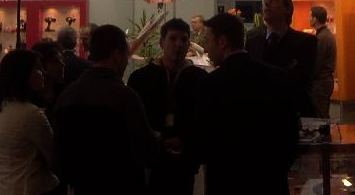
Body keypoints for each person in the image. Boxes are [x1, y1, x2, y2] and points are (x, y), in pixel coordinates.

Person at [196, 12, 300, 195]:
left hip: (226, 182)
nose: (206, 47)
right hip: (270, 182)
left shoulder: (210, 84)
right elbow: (290, 134)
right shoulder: (278, 77)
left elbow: (204, 141)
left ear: (222, 42)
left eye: (208, 41)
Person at [53, 24, 161, 195]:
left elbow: (59, 151)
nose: (127, 61)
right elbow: (147, 150)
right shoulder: (125, 97)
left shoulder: (68, 95)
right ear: (117, 55)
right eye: (126, 55)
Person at [127, 18, 206, 194]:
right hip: (150, 159)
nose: (178, 44)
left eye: (184, 39)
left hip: (185, 159)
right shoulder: (141, 78)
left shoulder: (200, 79)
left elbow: (203, 121)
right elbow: (134, 121)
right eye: (173, 38)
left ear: (189, 45)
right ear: (162, 42)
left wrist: (185, 141)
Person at [0, 49, 59, 195]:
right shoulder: (31, 114)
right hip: (29, 187)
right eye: (38, 68)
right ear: (23, 74)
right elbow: (53, 157)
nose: (43, 73)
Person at [246, 0, 318, 116]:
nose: (266, 5)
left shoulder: (305, 42)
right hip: (259, 114)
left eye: (273, 1)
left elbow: (300, 81)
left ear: (287, 8)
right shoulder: (252, 41)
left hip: (291, 113)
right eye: (265, 2)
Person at [309, 5, 336, 118]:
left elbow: (317, 63)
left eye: (310, 16)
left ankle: (323, 130)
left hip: (321, 82)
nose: (309, 19)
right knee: (323, 112)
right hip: (326, 81)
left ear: (315, 19)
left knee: (320, 114)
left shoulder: (321, 38)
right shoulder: (327, 35)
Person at [30, 40, 66, 112]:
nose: (62, 64)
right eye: (55, 61)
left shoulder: (66, 93)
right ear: (40, 65)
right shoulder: (30, 99)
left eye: (62, 59)